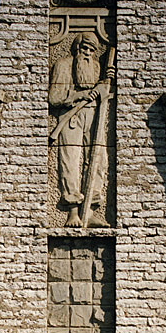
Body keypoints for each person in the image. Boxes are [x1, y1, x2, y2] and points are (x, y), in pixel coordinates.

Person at [49, 32, 113, 227]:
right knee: (70, 160)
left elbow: (101, 93)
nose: (87, 53)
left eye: (92, 50)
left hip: (95, 116)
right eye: (84, 48)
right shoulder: (64, 64)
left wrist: (104, 87)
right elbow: (54, 97)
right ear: (77, 48)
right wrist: (79, 95)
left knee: (99, 159)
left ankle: (91, 210)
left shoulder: (95, 66)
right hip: (71, 117)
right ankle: (73, 212)